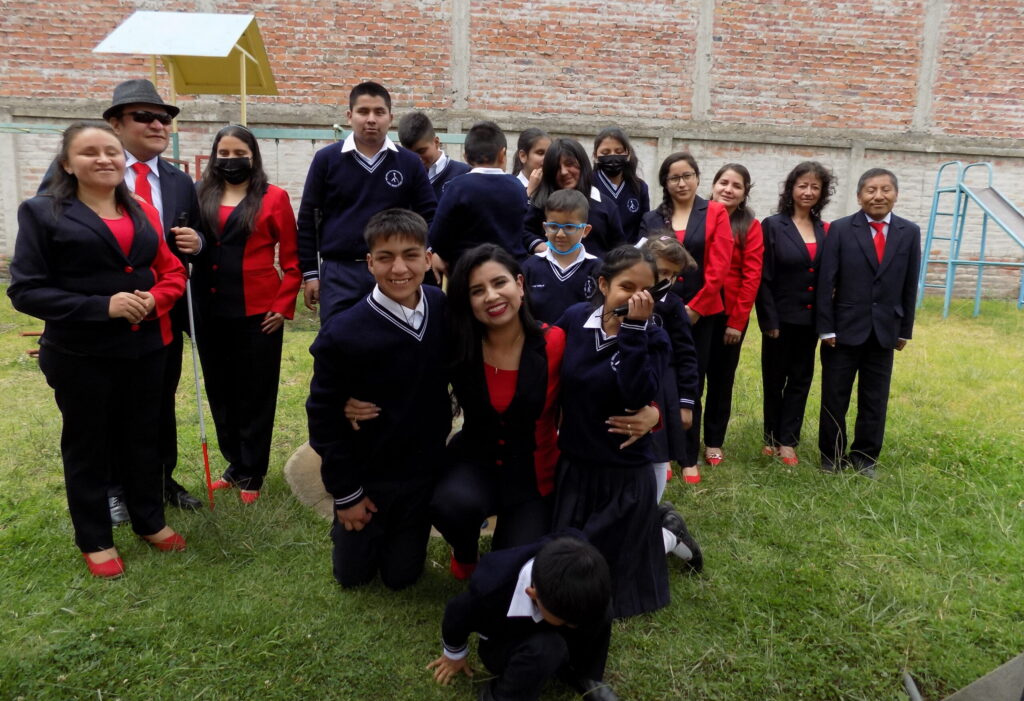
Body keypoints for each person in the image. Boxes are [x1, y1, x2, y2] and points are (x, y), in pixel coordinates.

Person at [8, 122, 188, 577]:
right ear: (68, 163)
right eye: (90, 152)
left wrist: (156, 299)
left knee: (143, 438)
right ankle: (95, 538)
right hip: (80, 355)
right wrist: (100, 307)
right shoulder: (42, 212)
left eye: (111, 151)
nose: (105, 159)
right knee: (88, 445)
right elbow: (26, 291)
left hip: (147, 349)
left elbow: (173, 273)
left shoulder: (142, 208)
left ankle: (149, 519)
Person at [553, 246, 701, 619]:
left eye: (646, 290)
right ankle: (655, 532)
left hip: (623, 471)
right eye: (626, 286)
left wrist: (633, 330)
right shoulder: (574, 320)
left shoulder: (654, 336)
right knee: (569, 564)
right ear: (603, 284)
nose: (637, 297)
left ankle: (668, 535)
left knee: (612, 586)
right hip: (576, 465)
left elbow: (637, 392)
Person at [307, 209, 451, 589]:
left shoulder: (443, 309)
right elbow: (321, 417)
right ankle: (348, 527)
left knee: (401, 578)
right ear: (370, 263)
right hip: (369, 477)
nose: (399, 268)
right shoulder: (344, 332)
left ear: (428, 258)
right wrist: (347, 493)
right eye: (385, 257)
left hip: (422, 476)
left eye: (411, 255)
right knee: (351, 577)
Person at [431, 245, 563, 579]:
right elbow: (408, 376)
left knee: (512, 574)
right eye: (477, 291)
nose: (491, 296)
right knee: (449, 504)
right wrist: (352, 399)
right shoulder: (459, 343)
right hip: (475, 463)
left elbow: (597, 384)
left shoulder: (555, 342)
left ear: (519, 284)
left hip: (533, 476)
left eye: (499, 283)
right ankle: (464, 550)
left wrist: (651, 412)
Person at [191, 125, 301, 503]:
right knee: (221, 393)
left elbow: (292, 262)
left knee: (255, 394)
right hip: (209, 311)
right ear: (214, 156)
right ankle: (234, 465)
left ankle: (253, 472)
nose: (231, 160)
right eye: (223, 153)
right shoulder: (199, 194)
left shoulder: (274, 198)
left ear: (253, 156)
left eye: (239, 152)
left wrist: (282, 306)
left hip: (258, 313)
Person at [296, 81, 436, 321]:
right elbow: (308, 219)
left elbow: (431, 215)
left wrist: (421, 258)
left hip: (394, 270)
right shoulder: (326, 160)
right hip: (340, 272)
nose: (371, 119)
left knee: (395, 343)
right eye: (363, 111)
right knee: (340, 345)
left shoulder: (409, 163)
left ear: (390, 117)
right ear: (350, 116)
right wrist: (311, 275)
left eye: (379, 112)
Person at [817, 168, 921, 478]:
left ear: (896, 194)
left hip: (885, 330)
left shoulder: (909, 231)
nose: (878, 196)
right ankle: (831, 457)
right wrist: (827, 327)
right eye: (871, 190)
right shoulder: (840, 229)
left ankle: (865, 457)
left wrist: (904, 329)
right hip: (843, 330)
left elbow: (909, 283)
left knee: (875, 399)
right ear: (859, 196)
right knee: (835, 396)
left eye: (885, 189)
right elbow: (827, 280)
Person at [428, 534, 619, 701]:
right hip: (506, 640)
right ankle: (501, 696)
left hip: (553, 608)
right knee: (548, 647)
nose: (574, 626)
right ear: (533, 593)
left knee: (599, 607)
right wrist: (454, 654)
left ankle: (583, 673)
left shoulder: (574, 550)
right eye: (566, 621)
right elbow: (456, 612)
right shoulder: (490, 591)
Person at [639, 153, 732, 483]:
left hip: (701, 313)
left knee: (694, 378)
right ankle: (663, 450)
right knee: (659, 379)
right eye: (674, 177)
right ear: (665, 182)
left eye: (687, 175)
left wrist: (695, 307)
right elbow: (642, 260)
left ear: (697, 177)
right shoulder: (652, 218)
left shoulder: (716, 213)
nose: (682, 182)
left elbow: (720, 266)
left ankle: (689, 456)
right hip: (656, 310)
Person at [757, 161, 835, 465]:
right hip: (780, 318)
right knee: (774, 378)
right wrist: (769, 319)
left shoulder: (826, 230)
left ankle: (788, 440)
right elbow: (764, 277)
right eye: (802, 185)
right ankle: (770, 436)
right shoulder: (773, 225)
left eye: (815, 186)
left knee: (801, 379)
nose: (808, 191)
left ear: (822, 193)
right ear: (791, 189)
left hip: (811, 320)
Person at [702, 164, 763, 466]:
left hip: (729, 315)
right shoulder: (697, 216)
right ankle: (681, 441)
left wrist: (737, 322)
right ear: (712, 185)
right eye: (723, 182)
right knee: (689, 378)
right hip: (696, 310)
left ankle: (714, 441)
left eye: (736, 186)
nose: (728, 189)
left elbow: (752, 277)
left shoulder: (750, 226)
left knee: (721, 380)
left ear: (744, 194)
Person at [427, 121, 528, 273]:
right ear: (502, 154)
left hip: (467, 273)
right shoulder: (517, 187)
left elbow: (437, 237)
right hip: (509, 272)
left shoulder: (457, 187)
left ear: (466, 157)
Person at [640, 234, 700, 491]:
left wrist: (686, 403)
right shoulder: (625, 299)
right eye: (661, 271)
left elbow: (687, 354)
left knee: (658, 450)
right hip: (629, 384)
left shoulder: (674, 306)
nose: (666, 280)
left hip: (663, 389)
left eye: (672, 275)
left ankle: (653, 502)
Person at [523, 138, 626, 259]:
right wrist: (541, 247)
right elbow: (524, 232)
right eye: (557, 167)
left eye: (570, 164)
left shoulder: (606, 205)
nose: (563, 172)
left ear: (582, 164)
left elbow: (619, 247)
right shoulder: (541, 202)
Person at [520, 189, 601, 324]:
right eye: (553, 226)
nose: (560, 234)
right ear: (545, 228)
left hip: (579, 343)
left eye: (569, 227)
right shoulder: (530, 267)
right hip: (541, 342)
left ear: (585, 230)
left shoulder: (597, 268)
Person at [592, 127, 650, 243]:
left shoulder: (640, 187)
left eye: (619, 152)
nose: (613, 156)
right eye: (605, 152)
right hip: (598, 257)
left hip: (630, 256)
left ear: (628, 154)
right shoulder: (588, 184)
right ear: (595, 156)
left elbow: (644, 226)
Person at [397, 111, 471, 200]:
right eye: (410, 154)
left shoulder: (464, 174)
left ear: (436, 142)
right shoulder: (401, 177)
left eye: (422, 151)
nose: (417, 159)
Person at [511, 128, 550, 200]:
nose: (547, 158)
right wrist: (529, 192)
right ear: (523, 156)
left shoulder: (552, 187)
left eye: (549, 153)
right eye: (540, 153)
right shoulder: (511, 187)